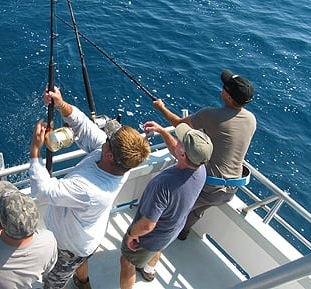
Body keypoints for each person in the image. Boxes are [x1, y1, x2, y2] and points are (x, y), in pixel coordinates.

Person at [136, 69, 256, 281]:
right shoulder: (251, 119)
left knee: (170, 218)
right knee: (197, 210)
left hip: (207, 185)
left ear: (228, 96)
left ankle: (151, 255)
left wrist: (161, 108)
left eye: (224, 87)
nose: (222, 88)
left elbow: (179, 125)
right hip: (230, 190)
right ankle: (184, 233)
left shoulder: (211, 115)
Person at [29, 85, 151, 289]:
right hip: (87, 238)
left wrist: (35, 150)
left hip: (69, 248)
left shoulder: (90, 189)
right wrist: (60, 104)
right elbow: (83, 126)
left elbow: (43, 191)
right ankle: (83, 282)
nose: (105, 137)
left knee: (53, 282)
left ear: (110, 155)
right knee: (81, 261)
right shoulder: (118, 161)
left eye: (109, 140)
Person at [119, 121, 213, 289]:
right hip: (171, 230)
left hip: (149, 237)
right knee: (157, 249)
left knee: (126, 261)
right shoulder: (200, 169)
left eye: (181, 141)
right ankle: (149, 270)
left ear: (183, 155)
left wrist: (131, 234)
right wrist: (162, 131)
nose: (178, 141)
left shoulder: (163, 184)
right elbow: (179, 152)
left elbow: (148, 225)